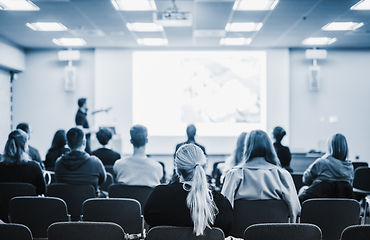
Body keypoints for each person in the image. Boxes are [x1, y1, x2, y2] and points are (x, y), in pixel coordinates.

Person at [144, 144, 233, 236]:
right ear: (204, 167)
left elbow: (148, 222)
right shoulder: (222, 204)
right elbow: (225, 233)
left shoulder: (158, 196)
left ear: (177, 169)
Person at [221, 130, 300, 222]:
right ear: (270, 147)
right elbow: (295, 210)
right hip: (277, 233)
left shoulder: (234, 174)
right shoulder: (283, 175)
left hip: (240, 233)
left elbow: (224, 209)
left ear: (247, 147)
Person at [298, 133, 355, 203]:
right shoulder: (350, 167)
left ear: (329, 148)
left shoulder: (321, 162)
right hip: (342, 208)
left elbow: (306, 179)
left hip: (319, 204)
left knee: (302, 191)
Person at [54, 127, 106, 196]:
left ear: (67, 144)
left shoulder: (59, 163)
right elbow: (102, 180)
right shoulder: (95, 162)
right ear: (84, 142)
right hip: (90, 205)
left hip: (66, 204)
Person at [0, 129, 46, 195]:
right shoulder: (34, 167)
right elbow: (43, 191)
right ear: (25, 146)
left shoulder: (1, 168)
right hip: (29, 205)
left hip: (5, 205)